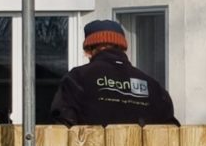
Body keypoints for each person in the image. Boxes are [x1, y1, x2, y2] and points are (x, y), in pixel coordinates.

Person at [46, 19, 177, 126]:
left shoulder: (78, 78)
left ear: (89, 50)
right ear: (123, 48)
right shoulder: (152, 85)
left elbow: (62, 125)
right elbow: (170, 131)